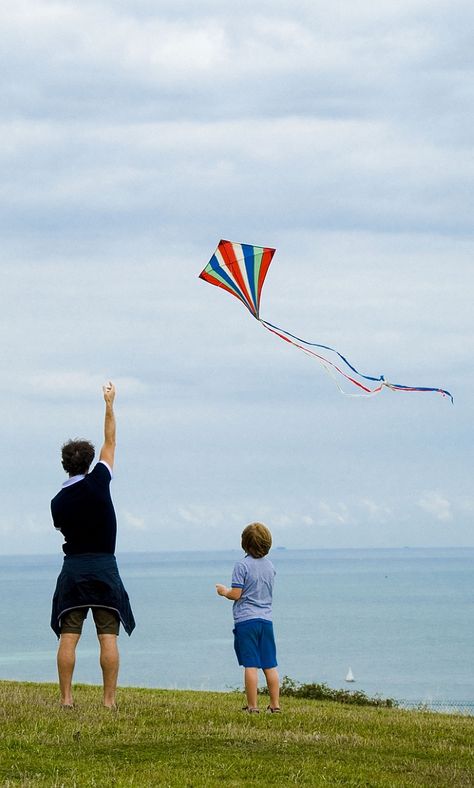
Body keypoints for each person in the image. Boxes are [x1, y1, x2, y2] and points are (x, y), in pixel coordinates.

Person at [50, 382, 135, 708]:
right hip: (103, 565)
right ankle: (108, 701)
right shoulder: (100, 480)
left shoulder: (58, 501)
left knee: (68, 637)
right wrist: (109, 403)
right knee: (107, 637)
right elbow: (110, 441)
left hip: (73, 569)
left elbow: (62, 529)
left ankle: (67, 699)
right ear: (88, 462)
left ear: (65, 465)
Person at [216, 522, 280, 713]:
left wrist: (223, 592)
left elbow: (236, 594)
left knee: (250, 664)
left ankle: (252, 706)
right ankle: (275, 705)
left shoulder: (242, 565)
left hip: (246, 621)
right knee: (270, 664)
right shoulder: (270, 567)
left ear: (244, 544)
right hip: (266, 621)